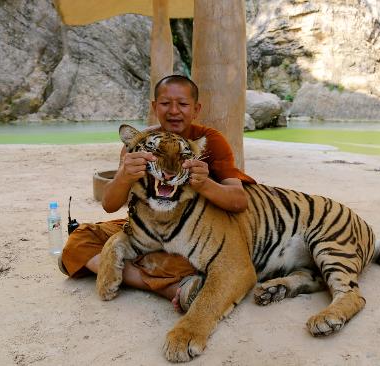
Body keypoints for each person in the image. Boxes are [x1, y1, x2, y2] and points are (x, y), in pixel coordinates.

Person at [59, 75, 255, 312]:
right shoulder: (140, 142)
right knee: (79, 239)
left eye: (182, 104)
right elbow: (110, 205)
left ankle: (112, 267)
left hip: (194, 232)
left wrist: (205, 184)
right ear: (154, 107)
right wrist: (124, 176)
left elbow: (239, 200)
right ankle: (169, 288)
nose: (174, 111)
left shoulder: (210, 141)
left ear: (196, 109)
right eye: (165, 104)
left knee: (187, 259)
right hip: (144, 225)